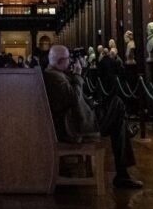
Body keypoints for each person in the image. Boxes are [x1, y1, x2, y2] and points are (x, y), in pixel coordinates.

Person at [43, 44, 142, 189]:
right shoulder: (54, 78)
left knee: (118, 119)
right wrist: (77, 74)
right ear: (59, 61)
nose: (70, 61)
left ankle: (123, 173)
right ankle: (122, 173)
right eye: (67, 59)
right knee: (117, 104)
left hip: (78, 120)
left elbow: (72, 95)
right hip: (77, 126)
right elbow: (73, 97)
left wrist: (79, 73)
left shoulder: (53, 73)